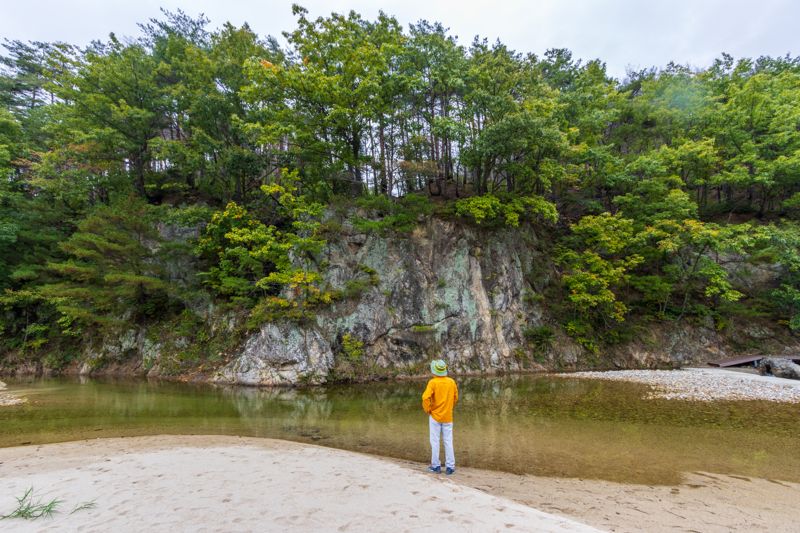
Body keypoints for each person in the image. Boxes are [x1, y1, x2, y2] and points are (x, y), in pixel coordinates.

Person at [421, 359, 458, 475]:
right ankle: (450, 467)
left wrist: (428, 409)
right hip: (448, 417)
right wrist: (449, 407)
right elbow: (455, 397)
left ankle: (436, 466)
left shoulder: (433, 382)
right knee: (448, 441)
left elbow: (425, 398)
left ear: (435, 371)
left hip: (435, 417)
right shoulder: (451, 382)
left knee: (435, 441)